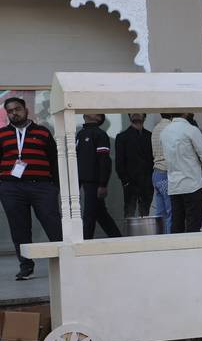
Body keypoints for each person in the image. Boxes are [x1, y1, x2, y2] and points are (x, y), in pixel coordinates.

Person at [0, 97, 62, 280]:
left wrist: (55, 187)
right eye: (10, 111)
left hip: (42, 187)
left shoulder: (42, 132)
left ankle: (64, 261)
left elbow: (54, 160)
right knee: (19, 228)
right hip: (11, 188)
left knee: (54, 225)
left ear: (26, 110)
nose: (14, 113)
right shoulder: (2, 134)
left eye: (17, 109)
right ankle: (26, 266)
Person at [161, 113, 202, 233]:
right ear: (185, 112)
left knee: (177, 225)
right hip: (192, 185)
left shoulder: (164, 132)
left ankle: (176, 251)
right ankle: (192, 252)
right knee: (193, 226)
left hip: (174, 186)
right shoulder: (191, 130)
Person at [76, 114, 122, 240]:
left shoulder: (100, 134)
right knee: (100, 213)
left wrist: (102, 184)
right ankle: (117, 239)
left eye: (94, 112)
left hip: (94, 182)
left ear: (98, 119)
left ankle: (85, 244)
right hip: (83, 181)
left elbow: (104, 161)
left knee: (89, 215)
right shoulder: (80, 134)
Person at [115, 113, 153, 217]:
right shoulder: (122, 137)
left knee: (145, 214)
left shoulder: (150, 136)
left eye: (139, 112)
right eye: (133, 112)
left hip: (147, 182)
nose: (136, 114)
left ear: (145, 116)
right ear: (129, 115)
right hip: (130, 182)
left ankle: (146, 233)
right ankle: (129, 234)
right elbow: (119, 162)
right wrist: (125, 181)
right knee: (129, 213)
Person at [151, 113, 174, 232]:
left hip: (156, 174)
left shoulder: (156, 128)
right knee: (171, 213)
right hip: (166, 172)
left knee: (160, 214)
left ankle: (159, 240)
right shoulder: (171, 127)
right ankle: (169, 242)